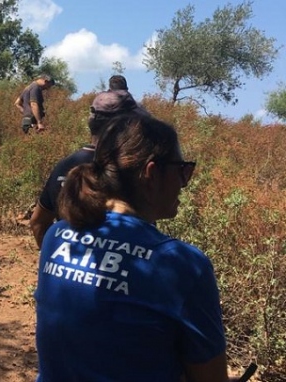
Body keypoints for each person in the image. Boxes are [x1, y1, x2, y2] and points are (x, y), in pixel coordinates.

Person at [35, 114, 241, 381]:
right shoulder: (181, 264)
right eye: (182, 170)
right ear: (152, 173)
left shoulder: (56, 235)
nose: (184, 183)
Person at [29, 90, 148, 248]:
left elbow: (38, 222)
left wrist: (56, 259)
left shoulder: (64, 166)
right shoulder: (131, 170)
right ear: (123, 127)